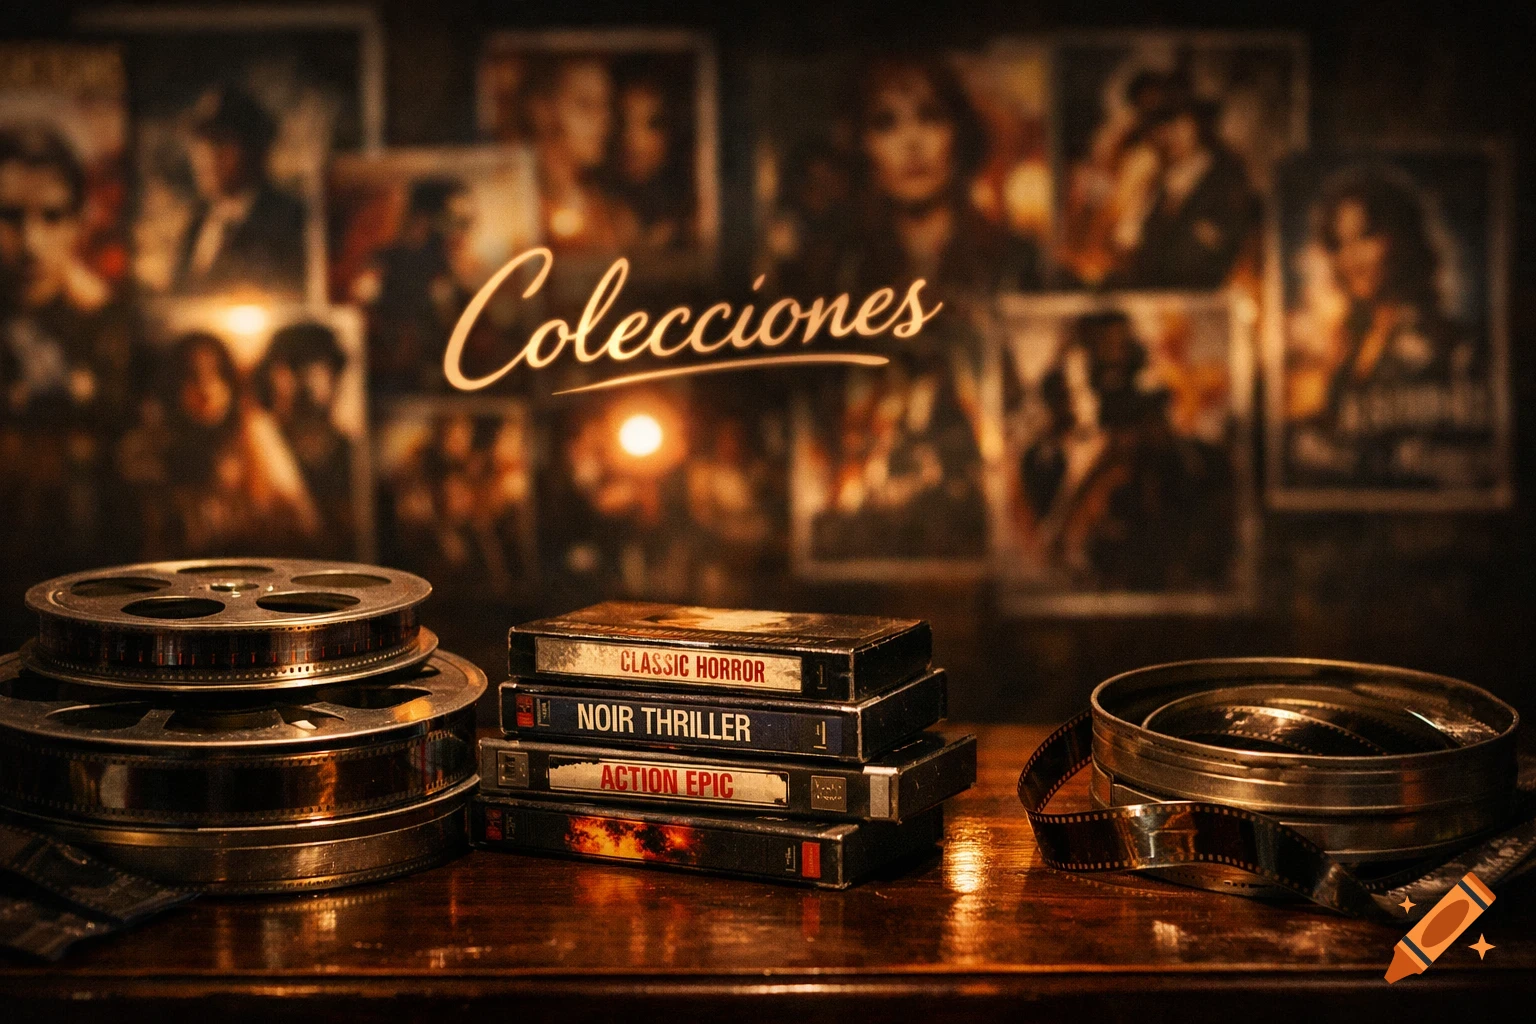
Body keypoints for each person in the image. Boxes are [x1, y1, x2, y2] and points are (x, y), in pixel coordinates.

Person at [1284, 166, 1485, 488]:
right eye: (1339, 244)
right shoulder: (1340, 341)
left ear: (1404, 238)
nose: (1351, 258)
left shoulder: (1454, 345)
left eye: (1365, 237)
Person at [0, 126, 140, 566]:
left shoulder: (111, 325)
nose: (30, 242)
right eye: (9, 216)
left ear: (80, 221)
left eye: (52, 216)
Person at [1020, 311, 1233, 589]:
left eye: (1120, 361)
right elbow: (1049, 553)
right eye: (1096, 372)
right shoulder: (1044, 460)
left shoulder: (1187, 454)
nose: (1107, 391)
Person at [812, 55, 1039, 299]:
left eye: (930, 116)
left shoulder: (1014, 260)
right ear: (862, 144)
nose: (912, 142)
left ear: (958, 132)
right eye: (885, 123)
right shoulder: (841, 263)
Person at [1114, 80, 1261, 289]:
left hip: (1209, 295)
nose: (1167, 135)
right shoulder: (1157, 182)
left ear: (1195, 123)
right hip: (1160, 298)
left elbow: (1216, 250)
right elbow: (1131, 243)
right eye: (1159, 127)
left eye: (1176, 123)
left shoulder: (1225, 177)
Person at [173, 84, 307, 295]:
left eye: (221, 141)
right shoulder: (197, 225)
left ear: (255, 148)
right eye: (201, 142)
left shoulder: (290, 223)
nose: (207, 156)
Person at [524, 56, 635, 255]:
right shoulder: (519, 207)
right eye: (586, 105)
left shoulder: (611, 214)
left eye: (605, 106)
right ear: (543, 111)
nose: (603, 121)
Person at [255, 321, 354, 544]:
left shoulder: (355, 457)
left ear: (335, 376)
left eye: (311, 367)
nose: (298, 382)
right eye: (288, 368)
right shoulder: (256, 450)